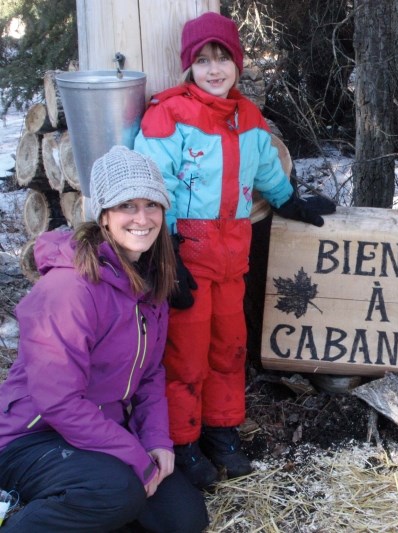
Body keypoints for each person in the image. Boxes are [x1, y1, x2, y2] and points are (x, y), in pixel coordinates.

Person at [134, 11, 335, 490]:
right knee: (185, 354)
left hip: (232, 260)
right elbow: (149, 185)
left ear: (237, 64)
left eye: (222, 58)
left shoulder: (248, 117)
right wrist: (167, 255)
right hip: (186, 259)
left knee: (229, 348)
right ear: (189, 68)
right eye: (202, 61)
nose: (214, 69)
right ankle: (182, 442)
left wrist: (291, 201)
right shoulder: (168, 115)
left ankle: (221, 431)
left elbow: (266, 169)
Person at [0, 146, 208, 532]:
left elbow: (148, 375)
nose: (142, 218)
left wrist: (156, 441)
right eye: (127, 205)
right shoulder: (70, 288)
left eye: (152, 205)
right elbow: (58, 401)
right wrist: (135, 456)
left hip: (101, 432)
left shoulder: (147, 280)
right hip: (32, 438)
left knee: (183, 520)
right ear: (104, 216)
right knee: (117, 491)